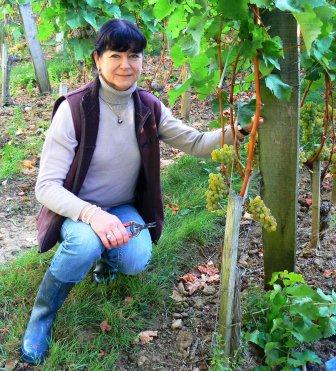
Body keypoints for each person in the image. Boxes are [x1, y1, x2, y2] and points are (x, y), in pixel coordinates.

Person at [21, 19, 253, 364]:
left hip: (122, 207)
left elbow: (196, 142)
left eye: (134, 56)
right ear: (97, 59)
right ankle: (41, 318)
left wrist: (241, 130)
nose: (126, 65)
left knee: (135, 258)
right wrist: (92, 215)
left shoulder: (149, 107)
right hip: (79, 209)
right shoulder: (73, 110)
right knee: (84, 241)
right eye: (116, 55)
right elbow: (46, 187)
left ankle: (106, 260)